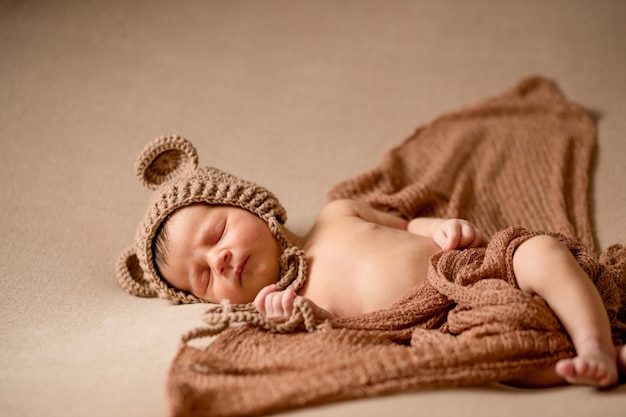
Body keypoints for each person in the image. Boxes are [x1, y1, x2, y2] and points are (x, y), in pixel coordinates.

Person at [154, 198, 625, 389]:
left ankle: (594, 344)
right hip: (443, 323)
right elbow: (343, 337)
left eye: (217, 233)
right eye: (202, 278)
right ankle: (601, 364)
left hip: (469, 268)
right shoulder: (286, 302)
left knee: (539, 251)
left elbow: (408, 225)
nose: (217, 259)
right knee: (496, 356)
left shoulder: (336, 214)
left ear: (251, 205)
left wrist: (448, 230)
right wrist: (305, 314)